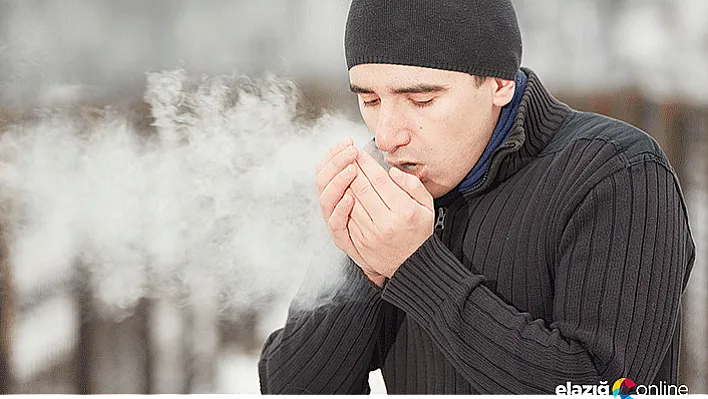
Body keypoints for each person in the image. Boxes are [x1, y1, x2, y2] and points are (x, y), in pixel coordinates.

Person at [258, 0, 695, 394]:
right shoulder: (385, 184)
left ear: (500, 83)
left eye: (421, 99)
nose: (387, 136)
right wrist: (364, 266)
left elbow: (607, 388)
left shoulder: (616, 173)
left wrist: (415, 267)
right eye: (370, 100)